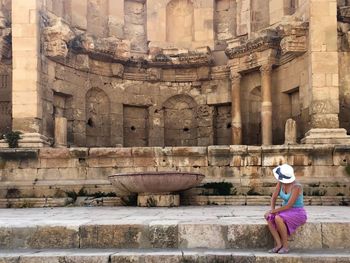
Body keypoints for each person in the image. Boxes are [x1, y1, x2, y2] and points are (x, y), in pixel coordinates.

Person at [264, 163, 307, 254]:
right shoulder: (280, 182)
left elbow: (289, 205)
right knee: (268, 216)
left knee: (278, 218)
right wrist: (272, 210)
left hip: (297, 211)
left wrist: (274, 211)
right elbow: (274, 197)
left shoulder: (297, 187)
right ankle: (279, 244)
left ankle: (286, 247)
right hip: (284, 210)